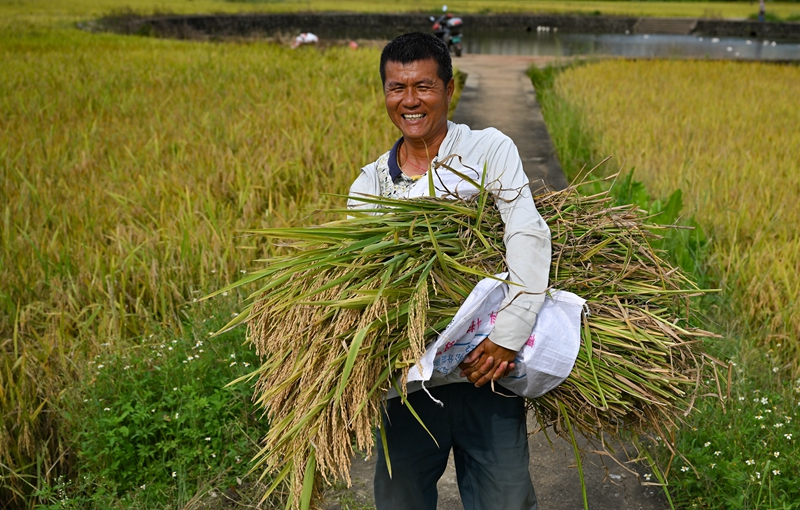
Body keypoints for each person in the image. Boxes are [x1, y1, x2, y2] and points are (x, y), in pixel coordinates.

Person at [347, 32, 551, 510]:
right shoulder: (371, 186)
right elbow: (364, 283)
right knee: (399, 502)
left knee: (505, 500)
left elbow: (525, 233)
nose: (410, 101)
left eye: (424, 86)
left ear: (449, 89)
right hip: (409, 383)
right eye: (397, 88)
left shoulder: (486, 152)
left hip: (488, 372)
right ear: (385, 94)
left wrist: (509, 333)